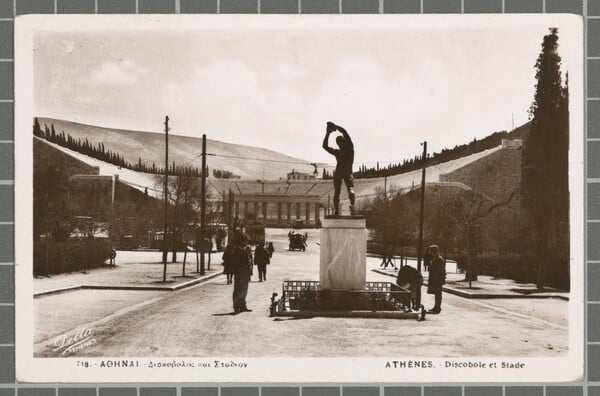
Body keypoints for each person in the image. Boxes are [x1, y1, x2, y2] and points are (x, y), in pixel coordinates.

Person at [322, 121, 356, 216]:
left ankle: (337, 212)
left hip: (339, 172)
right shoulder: (350, 147)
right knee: (350, 189)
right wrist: (336, 127)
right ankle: (352, 207)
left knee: (337, 192)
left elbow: (324, 146)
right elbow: (345, 132)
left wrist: (328, 133)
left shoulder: (338, 152)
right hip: (348, 171)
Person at [231, 233, 252, 313]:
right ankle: (237, 306)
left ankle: (242, 305)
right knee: (238, 289)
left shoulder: (243, 250)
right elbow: (237, 262)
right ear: (242, 241)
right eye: (246, 241)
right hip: (240, 272)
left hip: (245, 272)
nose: (247, 242)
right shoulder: (237, 250)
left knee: (244, 289)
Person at [426, 245, 446, 314]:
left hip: (437, 279)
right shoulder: (436, 258)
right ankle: (436, 307)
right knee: (437, 294)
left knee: (438, 294)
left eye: (431, 252)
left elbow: (440, 271)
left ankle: (437, 308)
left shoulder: (439, 259)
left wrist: (438, 279)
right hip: (436, 279)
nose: (430, 253)